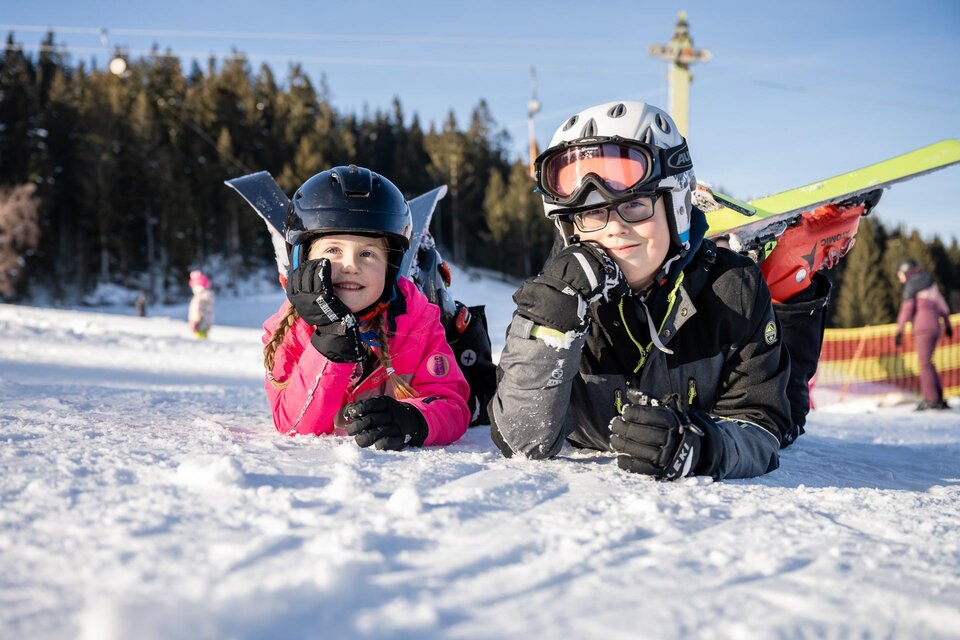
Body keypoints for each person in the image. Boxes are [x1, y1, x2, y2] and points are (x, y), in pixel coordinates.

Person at [490, 100, 847, 480]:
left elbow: (764, 425)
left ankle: (790, 276)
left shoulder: (733, 288)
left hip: (730, 336)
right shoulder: (556, 298)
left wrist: (702, 446)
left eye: (635, 206)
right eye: (592, 213)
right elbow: (522, 440)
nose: (614, 229)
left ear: (675, 204)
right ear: (570, 227)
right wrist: (550, 320)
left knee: (791, 409)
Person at [261, 165, 470, 449]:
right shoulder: (290, 327)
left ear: (391, 267)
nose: (351, 266)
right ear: (303, 260)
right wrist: (330, 341)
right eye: (333, 250)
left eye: (368, 254)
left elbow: (451, 406)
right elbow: (293, 424)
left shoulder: (416, 318)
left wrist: (414, 419)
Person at [895, 259, 953, 410]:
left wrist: (899, 330)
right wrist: (947, 324)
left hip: (922, 329)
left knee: (924, 364)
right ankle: (938, 397)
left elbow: (906, 309)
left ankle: (931, 400)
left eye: (900, 274)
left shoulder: (911, 285)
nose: (899, 278)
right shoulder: (929, 283)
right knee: (929, 362)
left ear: (906, 272)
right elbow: (942, 305)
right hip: (936, 327)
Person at [187, 270, 215, 338]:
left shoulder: (200, 298)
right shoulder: (204, 297)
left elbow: (198, 311)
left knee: (200, 341)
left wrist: (196, 321)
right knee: (202, 339)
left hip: (200, 324)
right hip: (203, 323)